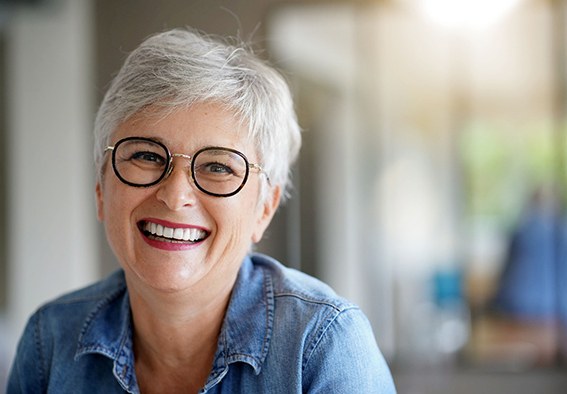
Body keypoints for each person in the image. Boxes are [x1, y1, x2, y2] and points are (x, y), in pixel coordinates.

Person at [7, 28, 396, 393]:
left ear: (264, 208)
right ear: (101, 189)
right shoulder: (50, 341)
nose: (175, 195)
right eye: (145, 155)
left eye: (218, 167)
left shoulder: (323, 345)